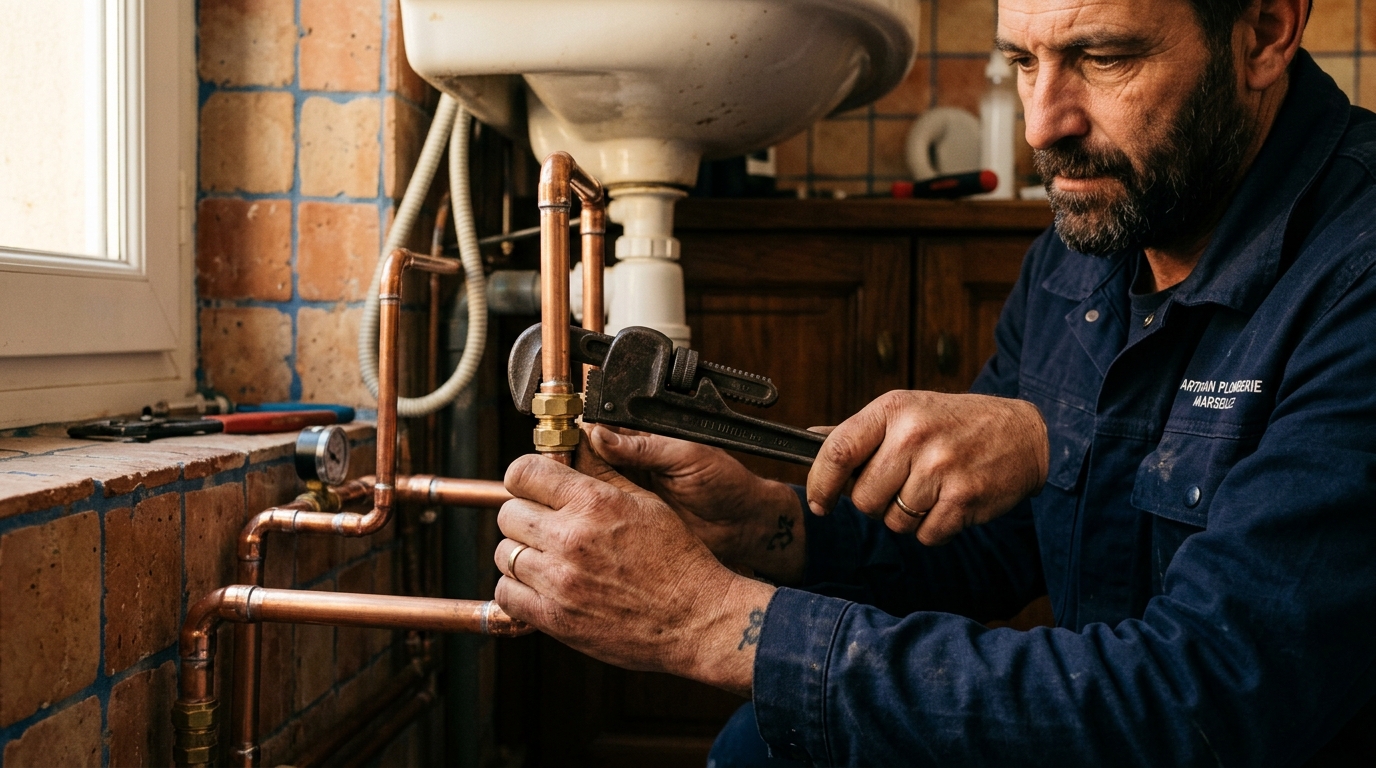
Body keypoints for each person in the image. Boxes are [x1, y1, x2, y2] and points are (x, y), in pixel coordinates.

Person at [492, 0, 1376, 763]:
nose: (1042, 123)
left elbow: (1198, 704)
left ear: (1264, 32)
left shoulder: (1356, 276)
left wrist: (709, 623)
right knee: (760, 746)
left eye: (1104, 59)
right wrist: (769, 528)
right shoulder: (1087, 254)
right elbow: (995, 547)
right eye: (1023, 62)